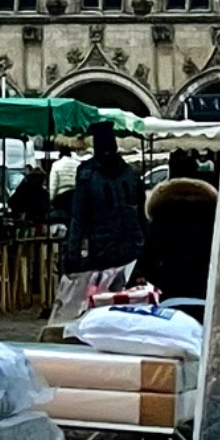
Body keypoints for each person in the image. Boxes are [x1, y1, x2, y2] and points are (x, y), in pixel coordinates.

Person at [55, 120, 144, 326]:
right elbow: (141, 215)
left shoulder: (90, 175)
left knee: (105, 307)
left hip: (107, 253)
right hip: (127, 250)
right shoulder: (129, 174)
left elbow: (79, 218)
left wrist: (72, 257)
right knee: (125, 306)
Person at [135, 159, 218, 308]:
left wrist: (161, 280)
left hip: (172, 295)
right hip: (206, 295)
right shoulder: (211, 216)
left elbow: (147, 263)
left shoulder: (161, 215)